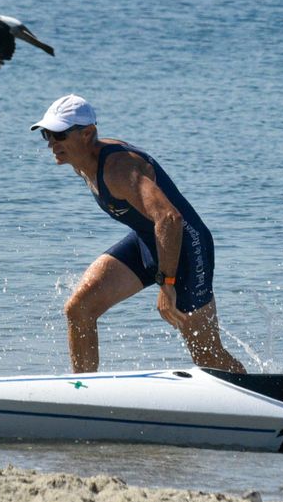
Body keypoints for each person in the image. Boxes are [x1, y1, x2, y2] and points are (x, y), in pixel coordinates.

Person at [31, 94, 245, 374]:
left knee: (205, 353)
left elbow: (169, 218)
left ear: (87, 134)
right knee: (79, 310)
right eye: (46, 134)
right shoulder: (83, 161)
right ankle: (84, 395)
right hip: (149, 241)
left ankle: (262, 401)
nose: (50, 143)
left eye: (58, 134)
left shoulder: (119, 169)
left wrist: (166, 283)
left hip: (186, 248)